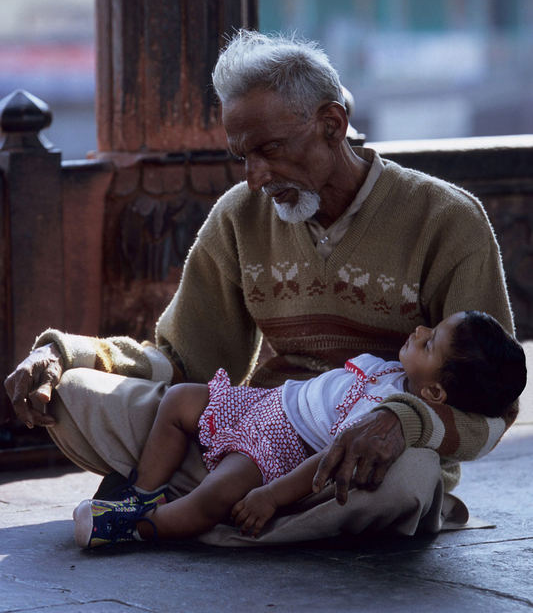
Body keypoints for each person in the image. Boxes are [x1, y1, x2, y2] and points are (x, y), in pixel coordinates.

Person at [4, 30, 517, 544]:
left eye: (269, 150)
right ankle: (237, 515)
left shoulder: (447, 219)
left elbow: (494, 409)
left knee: (408, 480)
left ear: (332, 125)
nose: (255, 177)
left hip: (361, 460)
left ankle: (201, 511)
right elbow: (183, 360)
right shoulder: (239, 215)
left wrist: (403, 424)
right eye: (242, 156)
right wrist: (65, 355)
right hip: (255, 427)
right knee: (72, 396)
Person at [72, 310, 526, 548]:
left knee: (216, 494)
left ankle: (139, 529)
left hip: (278, 445)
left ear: (438, 396)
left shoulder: (382, 412)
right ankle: (143, 493)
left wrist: (272, 495)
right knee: (178, 398)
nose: (420, 329)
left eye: (429, 343)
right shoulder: (392, 370)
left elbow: (326, 460)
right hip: (264, 403)